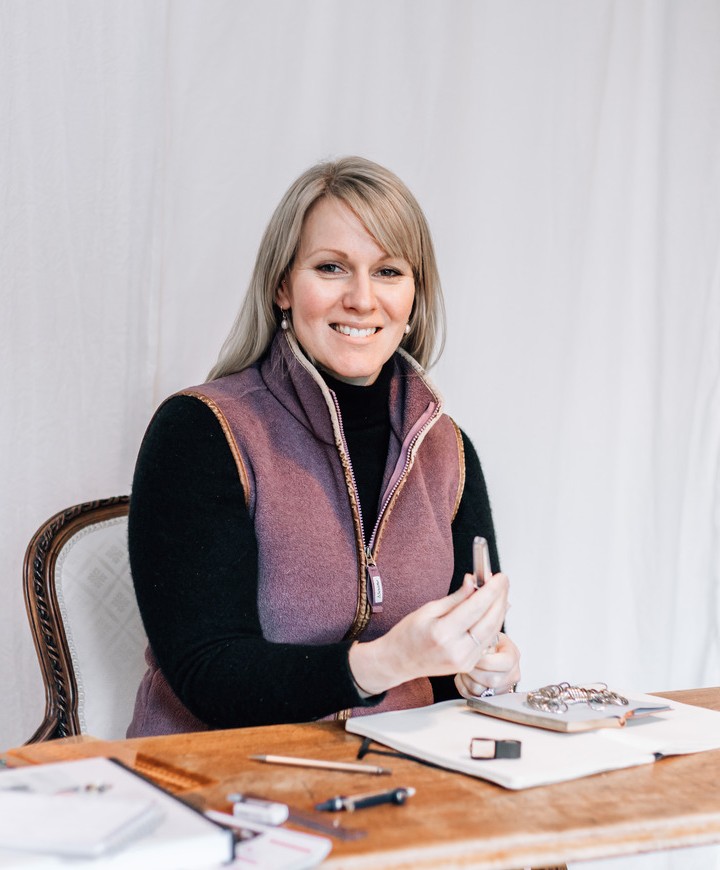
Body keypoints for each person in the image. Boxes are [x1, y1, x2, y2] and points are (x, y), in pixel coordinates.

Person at [127, 156, 521, 737]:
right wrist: (389, 661)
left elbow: (453, 667)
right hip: (221, 782)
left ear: (415, 297)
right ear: (283, 286)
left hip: (400, 780)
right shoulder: (201, 430)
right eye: (333, 267)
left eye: (389, 272)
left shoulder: (449, 450)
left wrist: (485, 672)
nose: (363, 300)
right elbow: (207, 674)